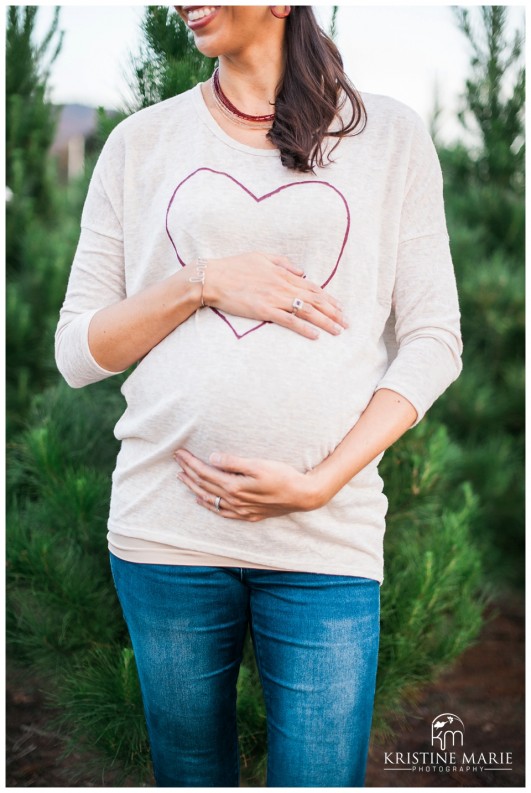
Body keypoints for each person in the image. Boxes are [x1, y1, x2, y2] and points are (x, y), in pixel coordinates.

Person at [55, 5, 462, 788]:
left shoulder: (389, 139)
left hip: (325, 536)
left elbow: (433, 341)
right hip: (165, 534)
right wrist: (203, 281)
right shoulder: (140, 144)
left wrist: (319, 481)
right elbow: (77, 352)